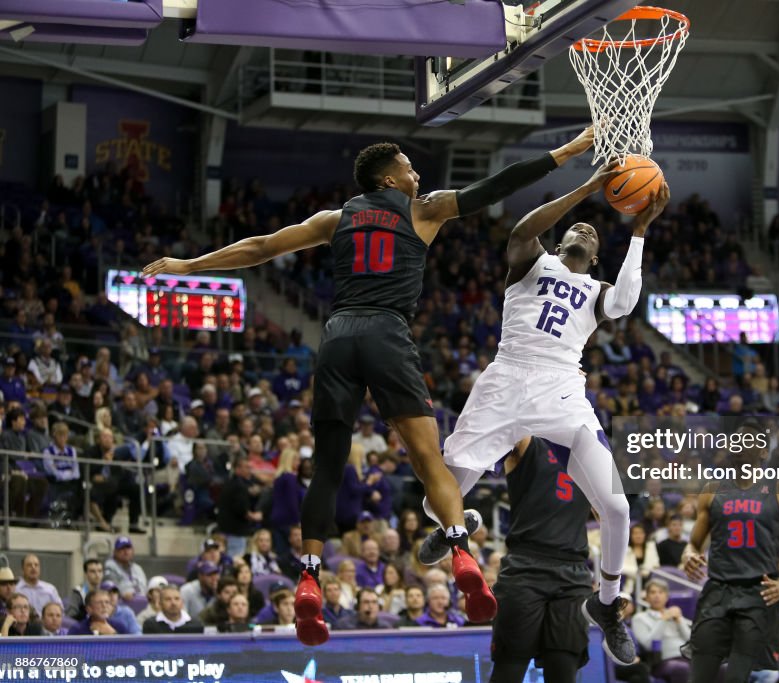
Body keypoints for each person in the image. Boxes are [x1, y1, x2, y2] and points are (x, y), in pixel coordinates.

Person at [143, 125, 598, 647]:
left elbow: (261, 247)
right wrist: (568, 152)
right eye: (409, 167)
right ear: (389, 177)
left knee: (328, 465)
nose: (417, 173)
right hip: (388, 334)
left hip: (338, 336)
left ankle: (309, 580)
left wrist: (188, 264)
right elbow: (496, 186)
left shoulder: (335, 219)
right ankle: (462, 553)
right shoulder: (424, 210)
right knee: (428, 457)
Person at [421, 165, 670, 665]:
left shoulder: (599, 290)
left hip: (562, 390)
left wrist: (640, 230)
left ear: (596, 256)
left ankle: (606, 606)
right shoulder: (531, 262)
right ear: (560, 243)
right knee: (440, 494)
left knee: (618, 508)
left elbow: (623, 303)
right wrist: (586, 190)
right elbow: (520, 231)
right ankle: (455, 523)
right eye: (579, 226)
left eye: (593, 233)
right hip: (507, 379)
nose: (585, 229)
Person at [682, 420, 779, 683]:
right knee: (698, 677)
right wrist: (688, 554)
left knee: (736, 678)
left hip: (758, 593)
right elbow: (693, 543)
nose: (739, 444)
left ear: (763, 452)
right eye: (736, 439)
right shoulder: (712, 490)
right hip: (717, 590)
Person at [490, 437, 593, 683]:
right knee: (509, 671)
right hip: (526, 564)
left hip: (575, 570)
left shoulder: (591, 452)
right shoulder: (529, 439)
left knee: (563, 673)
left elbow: (612, 512)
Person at [631, 579, 693, 683]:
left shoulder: (674, 615)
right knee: (681, 668)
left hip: (687, 658)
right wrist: (663, 620)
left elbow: (691, 640)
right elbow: (648, 644)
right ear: (646, 597)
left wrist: (679, 620)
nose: (657, 596)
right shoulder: (639, 618)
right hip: (662, 662)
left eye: (661, 592)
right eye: (653, 592)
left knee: (719, 667)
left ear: (667, 597)